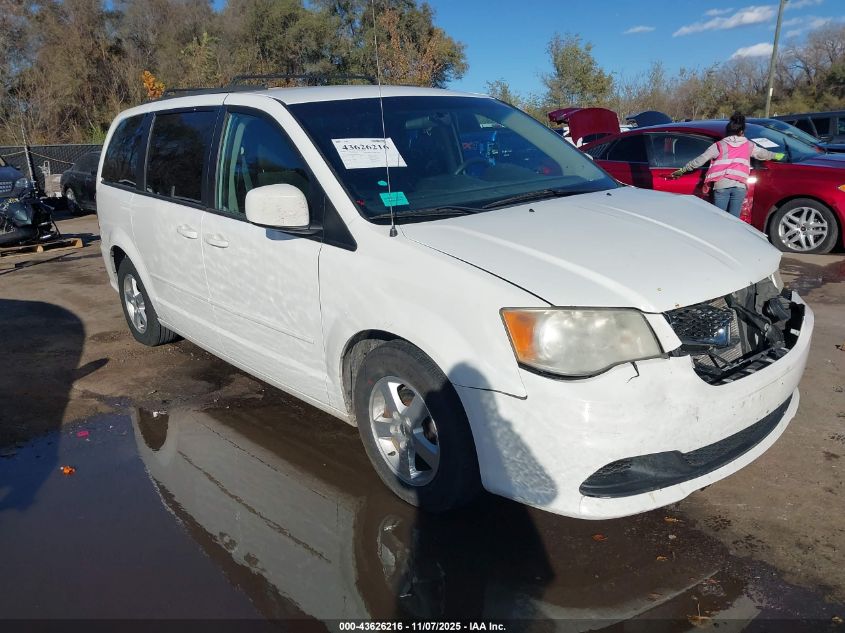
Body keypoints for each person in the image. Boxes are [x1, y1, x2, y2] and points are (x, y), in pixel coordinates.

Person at [670, 113, 784, 217]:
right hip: (739, 187)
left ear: (727, 131)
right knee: (734, 220)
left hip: (721, 186)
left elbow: (700, 160)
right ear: (742, 132)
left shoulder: (719, 145)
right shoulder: (748, 145)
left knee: (719, 218)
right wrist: (779, 156)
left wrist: (683, 170)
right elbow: (764, 154)